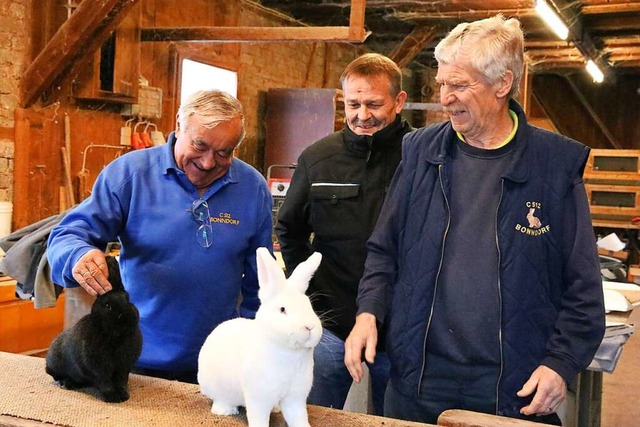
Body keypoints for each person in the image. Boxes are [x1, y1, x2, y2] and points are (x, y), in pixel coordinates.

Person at [344, 15, 605, 425]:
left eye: (460, 85)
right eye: (442, 84)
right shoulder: (421, 152)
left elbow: (584, 286)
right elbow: (384, 249)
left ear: (502, 84)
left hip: (513, 386)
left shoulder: (553, 166)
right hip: (418, 379)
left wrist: (561, 362)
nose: (445, 98)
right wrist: (367, 313)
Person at [47, 90, 273, 383]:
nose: (207, 163)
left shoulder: (253, 188)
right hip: (133, 361)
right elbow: (68, 234)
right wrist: (78, 255)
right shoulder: (130, 175)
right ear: (178, 126)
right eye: (200, 145)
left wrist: (257, 348)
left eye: (223, 152)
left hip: (220, 364)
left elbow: (263, 282)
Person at [276, 53, 412, 415]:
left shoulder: (420, 159)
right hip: (330, 324)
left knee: (397, 419)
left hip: (402, 329)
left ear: (399, 102)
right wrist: (312, 292)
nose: (362, 115)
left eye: (374, 104)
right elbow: (289, 230)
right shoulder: (318, 159)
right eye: (353, 104)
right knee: (311, 416)